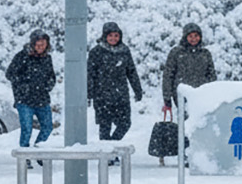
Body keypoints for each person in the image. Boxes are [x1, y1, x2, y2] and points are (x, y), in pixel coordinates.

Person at [153, 22, 217, 165]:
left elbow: (211, 75)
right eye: (190, 36)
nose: (193, 39)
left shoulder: (205, 54)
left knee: (200, 124)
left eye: (196, 36)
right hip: (181, 95)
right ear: (185, 37)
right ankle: (187, 153)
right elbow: (168, 75)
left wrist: (212, 92)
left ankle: (198, 152)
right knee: (187, 124)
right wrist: (167, 98)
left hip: (201, 95)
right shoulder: (176, 53)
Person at [87, 22, 143, 159]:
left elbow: (131, 72)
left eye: (116, 35)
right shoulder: (96, 52)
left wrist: (137, 90)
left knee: (125, 124)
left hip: (121, 95)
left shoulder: (124, 51)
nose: (113, 38)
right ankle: (107, 157)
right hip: (102, 95)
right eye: (110, 35)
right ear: (105, 36)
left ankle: (110, 150)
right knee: (105, 127)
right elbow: (90, 74)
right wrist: (89, 94)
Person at [6, 29, 56, 150]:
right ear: (33, 44)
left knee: (47, 127)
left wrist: (48, 85)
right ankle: (24, 155)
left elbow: (51, 76)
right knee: (26, 129)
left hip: (42, 99)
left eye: (43, 44)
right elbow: (10, 74)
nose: (40, 47)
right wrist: (24, 85)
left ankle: (38, 150)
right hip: (24, 100)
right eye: (38, 44)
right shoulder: (22, 56)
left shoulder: (47, 58)